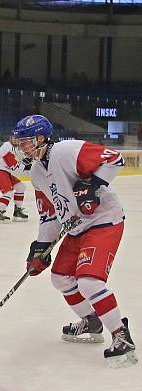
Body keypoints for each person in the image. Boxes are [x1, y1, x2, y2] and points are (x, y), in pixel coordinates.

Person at [13, 114, 135, 368]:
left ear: (41, 138)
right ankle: (92, 321)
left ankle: (121, 336)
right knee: (60, 277)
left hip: (103, 222)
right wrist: (40, 248)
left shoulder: (66, 151)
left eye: (26, 142)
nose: (22, 147)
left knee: (89, 281)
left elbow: (114, 158)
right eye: (20, 142)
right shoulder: (36, 172)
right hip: (77, 227)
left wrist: (92, 186)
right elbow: (49, 214)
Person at [0, 135, 30, 223]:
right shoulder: (6, 147)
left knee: (20, 187)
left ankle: (17, 212)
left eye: (17, 138)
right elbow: (13, 165)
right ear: (10, 138)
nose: (15, 140)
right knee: (8, 192)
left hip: (5, 171)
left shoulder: (16, 149)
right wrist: (28, 166)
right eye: (13, 138)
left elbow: (16, 163)